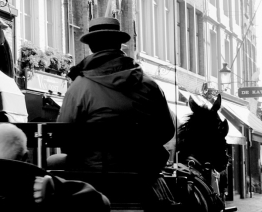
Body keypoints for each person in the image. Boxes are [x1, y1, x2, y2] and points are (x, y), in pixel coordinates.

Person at [59, 17, 175, 175]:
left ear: (92, 47)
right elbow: (166, 131)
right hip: (141, 177)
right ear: (119, 44)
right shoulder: (150, 86)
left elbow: (64, 139)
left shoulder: (78, 88)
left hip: (95, 177)